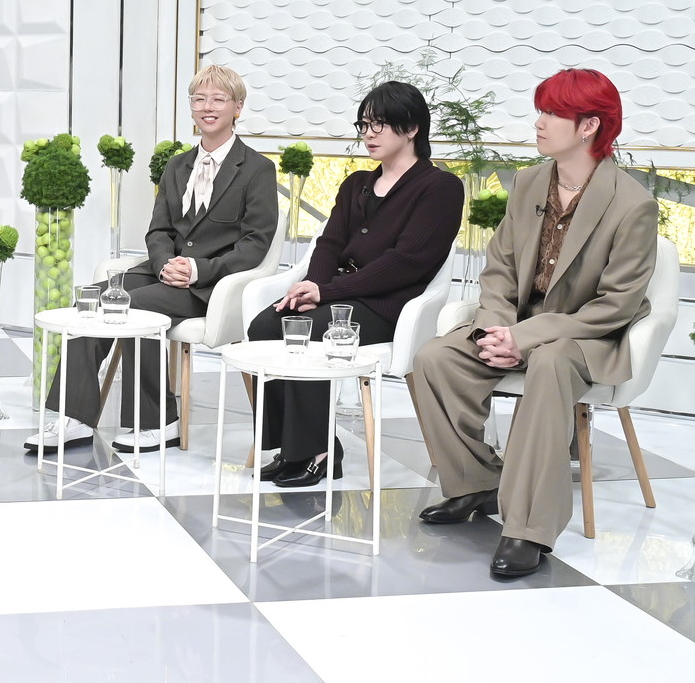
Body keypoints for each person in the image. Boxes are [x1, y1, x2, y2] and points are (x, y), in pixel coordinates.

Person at [413, 68, 657, 577]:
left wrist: (524, 338)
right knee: (435, 357)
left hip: (583, 337)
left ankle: (529, 529)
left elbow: (615, 305)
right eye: (540, 111)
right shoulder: (528, 183)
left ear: (589, 126)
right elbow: (500, 269)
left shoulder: (632, 204)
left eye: (552, 113)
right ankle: (474, 483)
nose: (539, 122)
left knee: (547, 364)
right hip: (517, 324)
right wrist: (496, 330)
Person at [25, 64, 278, 453]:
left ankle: (160, 421)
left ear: (237, 107)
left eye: (218, 99)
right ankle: (74, 418)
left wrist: (197, 269)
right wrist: (164, 264)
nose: (207, 107)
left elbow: (255, 243)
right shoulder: (177, 166)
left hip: (212, 286)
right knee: (90, 299)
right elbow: (158, 230)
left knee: (134, 307)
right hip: (163, 273)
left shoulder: (258, 169)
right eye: (198, 99)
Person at [247, 81, 463, 486]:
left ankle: (319, 452)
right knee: (263, 327)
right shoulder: (356, 183)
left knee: (306, 332)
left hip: (387, 306)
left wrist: (327, 292)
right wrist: (310, 288)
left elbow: (406, 263)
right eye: (364, 124)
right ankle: (292, 446)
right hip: (339, 296)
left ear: (412, 128)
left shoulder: (440, 188)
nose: (368, 134)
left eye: (379, 124)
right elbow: (329, 244)